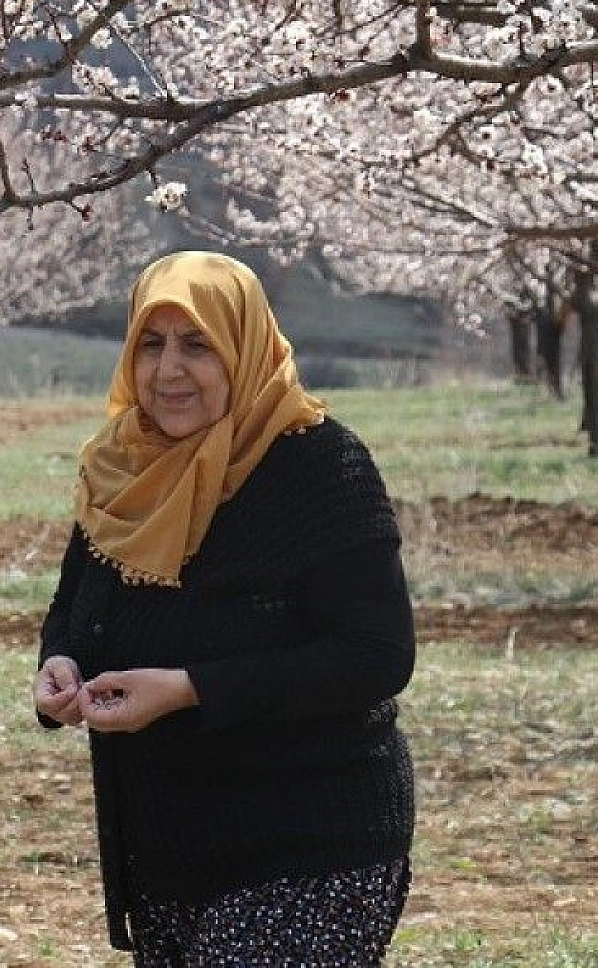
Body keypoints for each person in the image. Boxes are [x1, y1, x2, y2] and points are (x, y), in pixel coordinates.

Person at [32, 251, 415, 967]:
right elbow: (77, 601)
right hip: (167, 850)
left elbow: (377, 654)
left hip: (307, 847)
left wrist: (190, 689)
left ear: (244, 348)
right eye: (151, 343)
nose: (168, 370)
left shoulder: (319, 467)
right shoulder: (122, 466)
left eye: (197, 344)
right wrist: (62, 663)